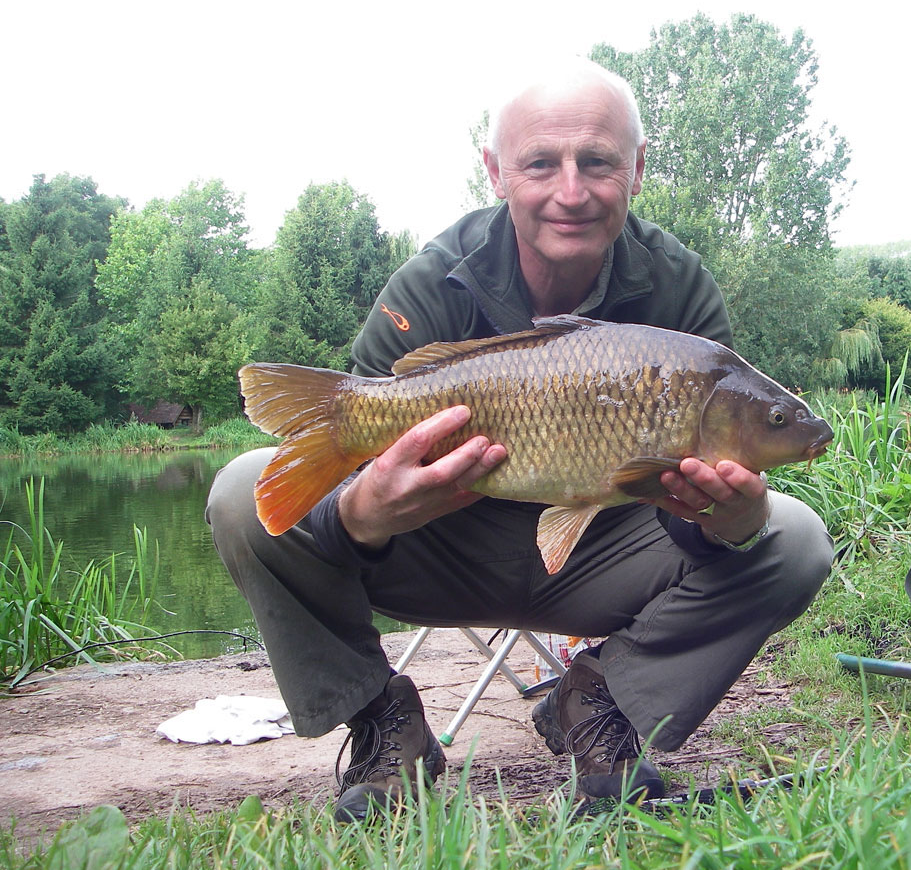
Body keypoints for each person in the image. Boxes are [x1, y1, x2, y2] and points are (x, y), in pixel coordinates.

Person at [206, 57, 833, 822]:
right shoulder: (433, 281)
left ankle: (597, 699)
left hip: (600, 549)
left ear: (635, 169)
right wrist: (365, 516)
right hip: (437, 540)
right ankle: (383, 723)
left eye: (597, 162)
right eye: (542, 163)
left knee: (790, 536)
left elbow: (683, 512)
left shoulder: (679, 289)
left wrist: (726, 525)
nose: (571, 191)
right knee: (244, 492)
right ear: (497, 172)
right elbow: (340, 501)